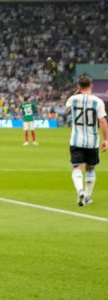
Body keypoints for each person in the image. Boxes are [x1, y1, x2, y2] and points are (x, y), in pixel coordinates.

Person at [65, 75, 108, 206]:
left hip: (76, 140)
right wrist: (106, 139)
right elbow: (102, 121)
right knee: (90, 168)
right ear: (91, 86)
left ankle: (80, 190)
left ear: (78, 87)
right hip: (92, 141)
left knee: (76, 166)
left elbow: (66, 107)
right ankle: (87, 197)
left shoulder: (73, 99)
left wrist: (77, 91)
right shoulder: (98, 102)